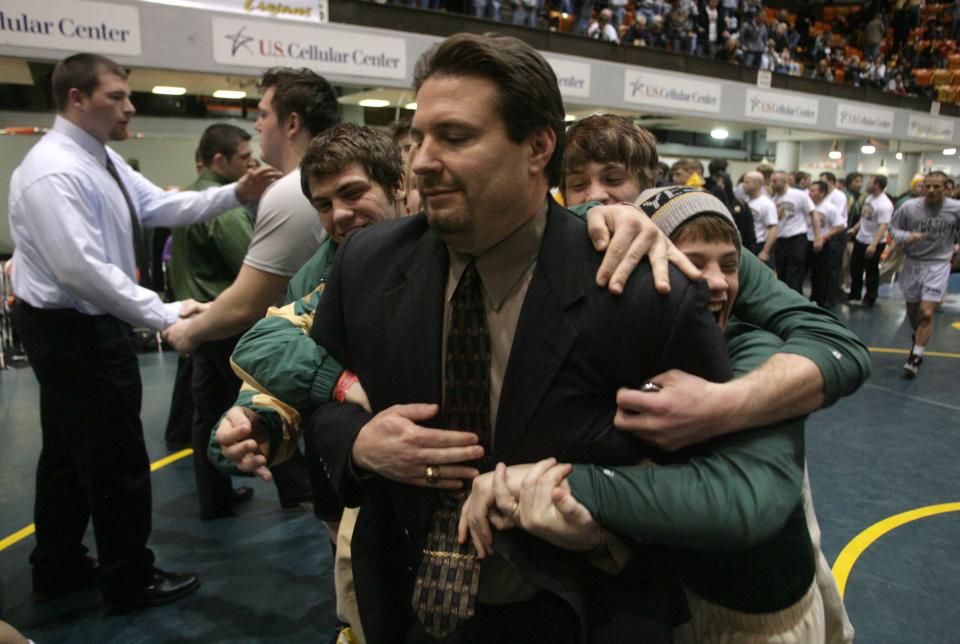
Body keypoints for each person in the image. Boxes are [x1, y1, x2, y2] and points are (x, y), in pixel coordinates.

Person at [306, 32, 731, 642]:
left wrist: (601, 520)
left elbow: (708, 480)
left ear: (537, 147)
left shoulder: (642, 291)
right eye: (419, 136)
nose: (422, 160)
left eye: (454, 137)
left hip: (575, 609)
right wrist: (359, 443)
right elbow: (318, 398)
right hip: (404, 606)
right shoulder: (366, 264)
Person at [462, 188, 826, 642]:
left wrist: (555, 482)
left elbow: (743, 502)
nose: (716, 281)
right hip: (678, 596)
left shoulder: (757, 353)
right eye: (693, 261)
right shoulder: (624, 356)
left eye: (729, 264)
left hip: (756, 608)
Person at [7, 53, 278, 613]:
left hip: (75, 324)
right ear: (77, 99)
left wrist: (236, 193)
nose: (130, 105)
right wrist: (164, 314)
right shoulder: (54, 171)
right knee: (117, 457)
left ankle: (56, 565)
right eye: (117, 96)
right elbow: (80, 269)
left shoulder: (99, 159)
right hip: (74, 329)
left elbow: (160, 205)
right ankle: (128, 579)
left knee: (64, 453)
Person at [162, 68, 336, 356]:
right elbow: (281, 291)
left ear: (292, 123)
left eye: (263, 114)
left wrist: (189, 332)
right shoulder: (312, 181)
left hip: (303, 351)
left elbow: (247, 305)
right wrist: (212, 308)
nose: (257, 126)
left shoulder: (292, 189)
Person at [168, 123, 259, 519]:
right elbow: (252, 260)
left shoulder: (189, 198)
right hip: (225, 323)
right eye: (243, 157)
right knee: (264, 402)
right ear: (219, 160)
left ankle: (214, 498)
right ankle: (298, 489)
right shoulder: (222, 208)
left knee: (206, 414)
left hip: (199, 322)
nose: (250, 163)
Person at [890, 171, 960, 377]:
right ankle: (917, 337)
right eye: (927, 186)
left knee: (927, 312)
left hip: (938, 264)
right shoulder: (909, 207)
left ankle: (915, 357)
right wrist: (907, 236)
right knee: (913, 311)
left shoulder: (955, 209)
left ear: (946, 188)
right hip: (913, 263)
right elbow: (893, 228)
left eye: (936, 187)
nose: (930, 190)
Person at [848, 174, 893, 306]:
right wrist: (854, 229)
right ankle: (855, 295)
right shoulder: (869, 198)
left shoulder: (885, 204)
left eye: (870, 182)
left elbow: (883, 226)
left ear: (877, 185)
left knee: (871, 271)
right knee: (855, 268)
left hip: (874, 242)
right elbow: (864, 217)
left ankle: (870, 297)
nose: (866, 184)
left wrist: (873, 245)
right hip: (860, 239)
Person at [771, 170, 815, 293]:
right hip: (781, 239)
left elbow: (813, 213)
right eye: (771, 181)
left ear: (784, 181)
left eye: (775, 181)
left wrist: (817, 237)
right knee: (782, 272)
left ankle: (795, 301)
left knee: (794, 273)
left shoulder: (799, 195)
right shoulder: (773, 199)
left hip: (797, 238)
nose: (772, 184)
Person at [807, 180, 842, 308]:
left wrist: (823, 237)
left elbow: (840, 226)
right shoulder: (807, 205)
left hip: (822, 244)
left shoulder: (830, 208)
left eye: (813, 190)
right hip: (805, 241)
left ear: (822, 193)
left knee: (819, 275)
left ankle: (817, 302)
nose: (810, 193)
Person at [744, 170, 778, 263]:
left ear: (756, 184)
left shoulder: (767, 204)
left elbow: (773, 228)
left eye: (746, 182)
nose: (743, 185)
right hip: (746, 245)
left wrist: (765, 251)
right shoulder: (746, 201)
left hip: (758, 245)